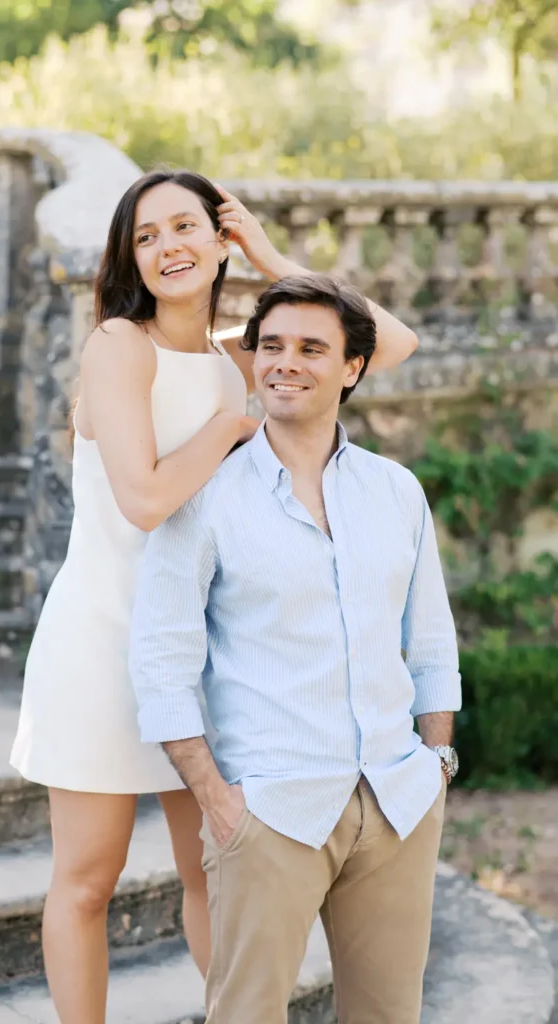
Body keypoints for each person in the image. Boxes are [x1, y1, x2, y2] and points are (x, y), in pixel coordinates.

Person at [10, 167, 419, 1024]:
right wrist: (232, 424)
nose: (167, 247)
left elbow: (388, 344)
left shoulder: (239, 354)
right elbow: (145, 499)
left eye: (184, 226)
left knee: (211, 874)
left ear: (218, 237)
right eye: (145, 236)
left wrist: (271, 258)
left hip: (198, 656)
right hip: (101, 644)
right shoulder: (119, 346)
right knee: (87, 880)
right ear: (129, 257)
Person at [130, 273, 461, 1024]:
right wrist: (216, 799)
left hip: (397, 801)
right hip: (270, 809)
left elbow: (430, 639)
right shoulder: (205, 494)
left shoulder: (396, 491)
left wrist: (436, 761)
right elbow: (161, 659)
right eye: (271, 346)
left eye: (311, 348)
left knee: (389, 1016)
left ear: (352, 368)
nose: (285, 362)